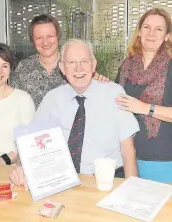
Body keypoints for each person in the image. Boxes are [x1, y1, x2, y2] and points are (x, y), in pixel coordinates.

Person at [9, 39, 140, 189]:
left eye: (84, 61)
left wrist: (132, 188)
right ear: (62, 67)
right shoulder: (52, 98)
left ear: (93, 65)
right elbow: (30, 142)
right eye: (71, 62)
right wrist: (21, 167)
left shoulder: (114, 94)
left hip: (107, 180)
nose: (79, 68)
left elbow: (128, 149)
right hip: (60, 180)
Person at [115, 8, 172, 187]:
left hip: (169, 161)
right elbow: (115, 100)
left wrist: (145, 108)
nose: (151, 33)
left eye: (159, 29)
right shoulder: (127, 65)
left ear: (167, 36)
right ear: (139, 32)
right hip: (131, 159)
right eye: (146, 27)